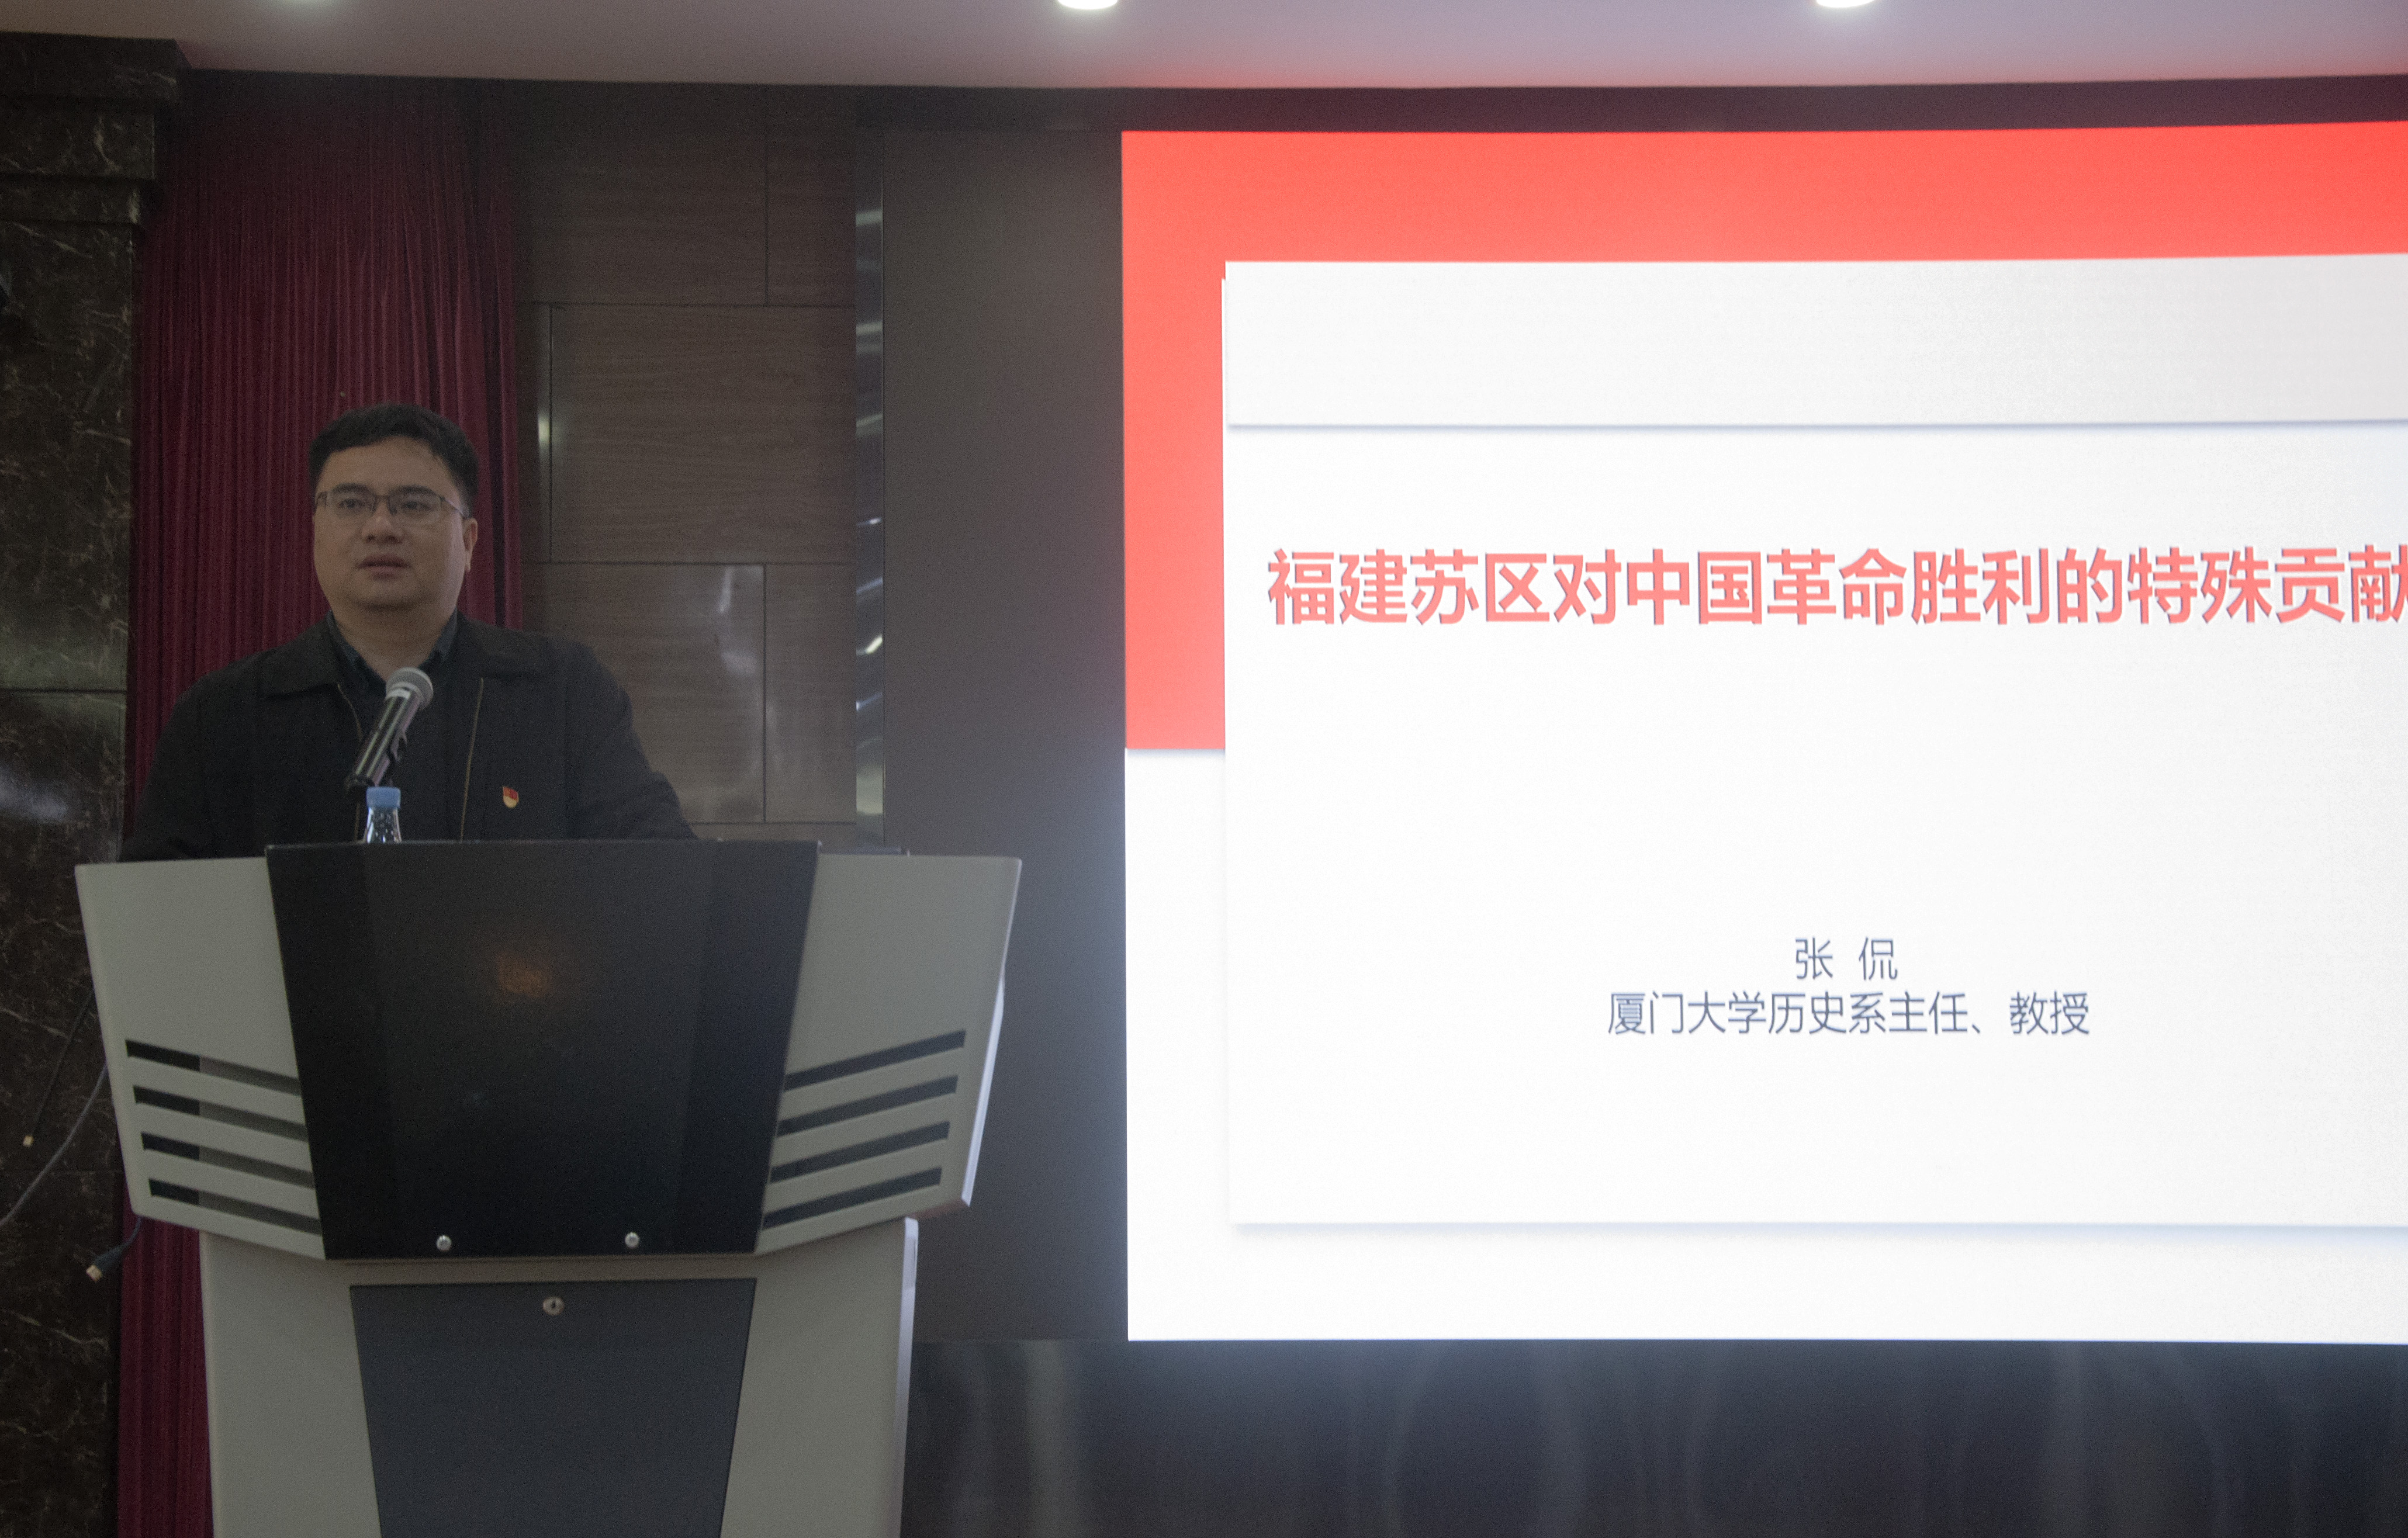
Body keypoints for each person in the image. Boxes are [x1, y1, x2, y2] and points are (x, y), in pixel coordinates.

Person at [124, 403, 691, 858]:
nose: (380, 527)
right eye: (351, 503)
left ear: (468, 541)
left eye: (413, 505)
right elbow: (156, 912)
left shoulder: (562, 691)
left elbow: (661, 867)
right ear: (315, 531)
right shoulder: (224, 715)